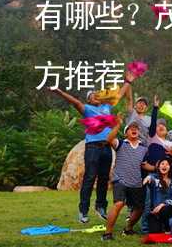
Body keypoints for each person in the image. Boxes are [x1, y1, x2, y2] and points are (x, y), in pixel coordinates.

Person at [49, 79, 131, 223]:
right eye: (92, 95)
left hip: (106, 147)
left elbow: (119, 94)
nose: (96, 96)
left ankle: (100, 207)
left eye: (97, 94)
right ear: (89, 100)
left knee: (104, 178)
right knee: (90, 177)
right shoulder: (87, 109)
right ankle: (83, 210)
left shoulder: (107, 107)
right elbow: (74, 102)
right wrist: (59, 92)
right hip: (93, 147)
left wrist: (128, 81)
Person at [102, 116, 147, 240]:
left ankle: (128, 229)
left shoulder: (144, 148)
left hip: (136, 182)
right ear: (126, 132)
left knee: (139, 208)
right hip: (120, 179)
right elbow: (109, 139)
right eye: (131, 128)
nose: (134, 129)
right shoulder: (121, 143)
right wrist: (117, 125)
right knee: (119, 203)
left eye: (136, 128)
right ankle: (107, 233)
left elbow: (146, 164)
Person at [143, 157, 172, 234]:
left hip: (169, 211)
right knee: (155, 232)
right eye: (162, 164)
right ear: (158, 166)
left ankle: (168, 229)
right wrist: (148, 177)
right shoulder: (154, 179)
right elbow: (150, 178)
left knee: (164, 209)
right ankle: (161, 225)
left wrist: (162, 205)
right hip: (155, 212)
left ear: (170, 167)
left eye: (167, 164)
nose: (164, 166)